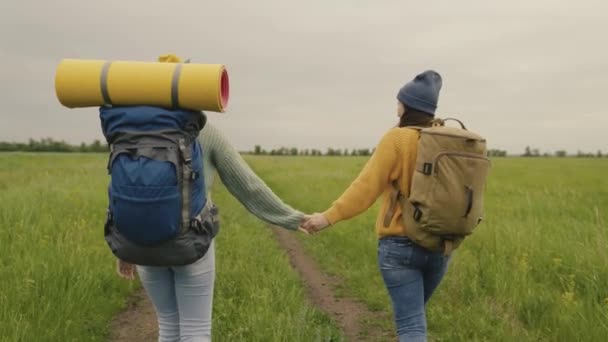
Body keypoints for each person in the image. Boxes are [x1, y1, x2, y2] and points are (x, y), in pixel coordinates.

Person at [116, 120, 307, 342]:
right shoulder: (203, 129)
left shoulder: (135, 126)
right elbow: (248, 185)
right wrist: (291, 218)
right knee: (195, 330)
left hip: (143, 242)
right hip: (192, 242)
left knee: (168, 325)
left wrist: (124, 246)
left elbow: (122, 189)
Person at [302, 70, 449, 342]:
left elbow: (366, 187)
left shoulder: (397, 139)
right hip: (441, 244)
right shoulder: (446, 139)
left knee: (411, 326)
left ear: (406, 105)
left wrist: (328, 217)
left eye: (399, 101)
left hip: (400, 245)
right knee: (415, 318)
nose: (396, 106)